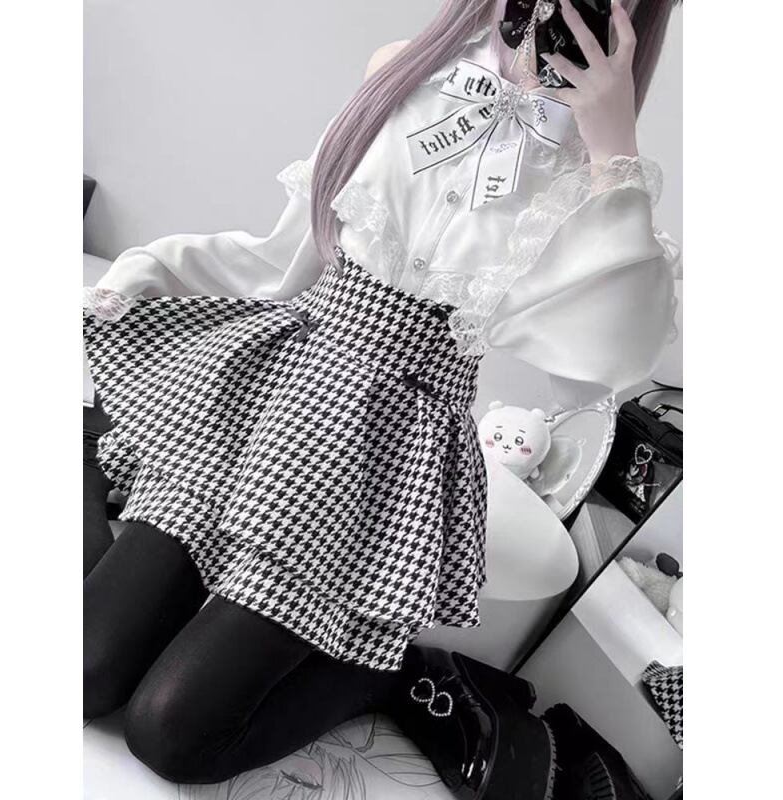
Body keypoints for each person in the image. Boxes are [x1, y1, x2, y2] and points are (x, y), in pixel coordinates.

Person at [83, 0, 680, 793]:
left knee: (171, 732)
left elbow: (610, 362)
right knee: (84, 672)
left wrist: (614, 150)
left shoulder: (597, 178)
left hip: (382, 452)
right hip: (276, 392)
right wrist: (147, 278)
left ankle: (380, 670)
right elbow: (288, 255)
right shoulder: (402, 74)